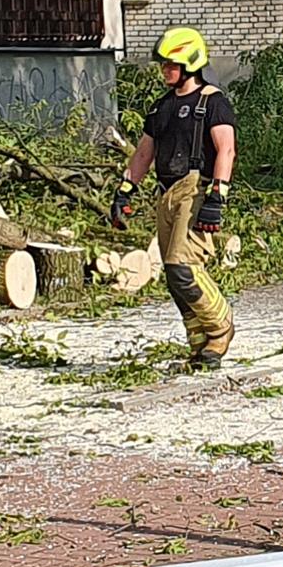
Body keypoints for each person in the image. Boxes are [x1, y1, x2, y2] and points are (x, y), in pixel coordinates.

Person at [112, 27, 236, 369]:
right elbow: (143, 154)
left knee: (184, 269)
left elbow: (226, 149)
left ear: (190, 65)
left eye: (171, 64)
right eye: (164, 64)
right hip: (165, 192)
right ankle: (200, 347)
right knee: (171, 274)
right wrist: (124, 190)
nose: (165, 69)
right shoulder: (161, 107)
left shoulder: (213, 102)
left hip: (195, 190)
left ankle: (220, 325)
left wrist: (217, 196)